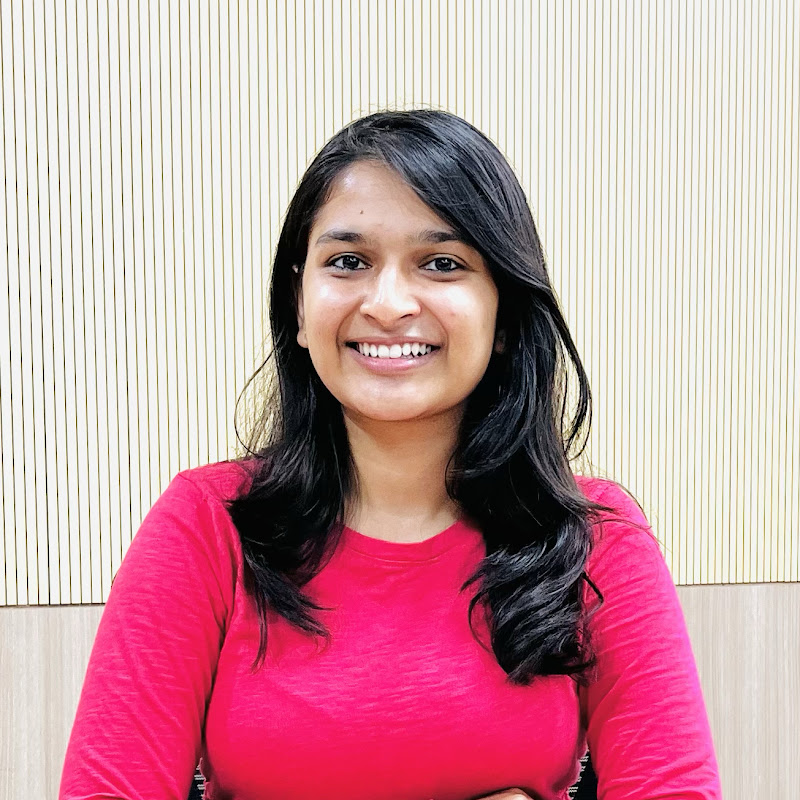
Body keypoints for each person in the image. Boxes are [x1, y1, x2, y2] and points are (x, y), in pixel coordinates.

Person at [59, 110, 722, 800]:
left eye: (442, 263)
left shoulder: (594, 538)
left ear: (503, 314)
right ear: (299, 304)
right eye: (349, 262)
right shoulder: (208, 524)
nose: (388, 304)